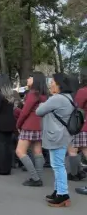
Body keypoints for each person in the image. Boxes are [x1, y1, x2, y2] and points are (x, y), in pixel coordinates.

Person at [36, 74, 76, 206]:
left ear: (59, 84)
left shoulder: (57, 98)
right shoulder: (68, 97)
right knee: (57, 164)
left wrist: (43, 103)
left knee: (58, 165)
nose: (50, 84)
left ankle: (63, 194)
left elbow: (39, 111)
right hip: (62, 135)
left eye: (52, 82)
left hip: (56, 135)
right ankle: (58, 190)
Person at [16, 73, 48, 187]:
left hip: (29, 125)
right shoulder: (44, 95)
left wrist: (18, 124)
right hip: (40, 126)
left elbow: (25, 111)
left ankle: (35, 178)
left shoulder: (32, 93)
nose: (28, 79)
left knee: (20, 151)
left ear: (35, 80)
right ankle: (38, 177)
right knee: (37, 151)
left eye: (30, 77)